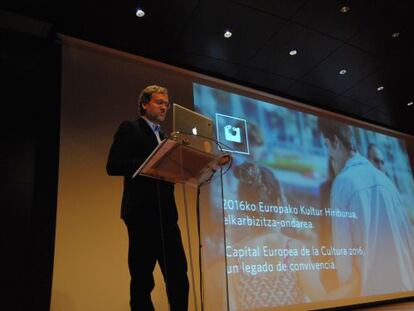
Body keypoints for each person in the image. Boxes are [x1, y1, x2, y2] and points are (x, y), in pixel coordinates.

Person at [106, 85, 189, 310]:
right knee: (143, 279)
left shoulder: (164, 137)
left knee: (179, 275)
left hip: (167, 216)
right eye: (159, 102)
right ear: (144, 104)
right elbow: (112, 166)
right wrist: (149, 163)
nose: (164, 107)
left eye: (166, 104)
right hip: (142, 215)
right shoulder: (130, 128)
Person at [317, 118, 414, 296]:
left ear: (336, 141)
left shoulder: (344, 182)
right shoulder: (385, 179)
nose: (329, 154)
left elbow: (343, 251)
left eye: (327, 145)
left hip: (371, 293)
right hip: (404, 288)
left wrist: (348, 293)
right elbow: (408, 237)